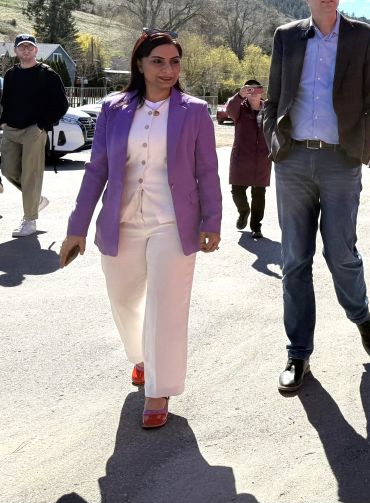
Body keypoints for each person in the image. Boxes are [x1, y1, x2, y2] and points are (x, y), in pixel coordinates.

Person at [60, 29, 222, 430]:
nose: (168, 69)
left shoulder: (195, 111)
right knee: (124, 299)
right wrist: (76, 228)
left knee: (167, 305)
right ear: (140, 64)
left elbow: (207, 170)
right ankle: (141, 357)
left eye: (174, 62)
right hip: (122, 222)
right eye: (158, 61)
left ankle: (158, 389)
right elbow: (97, 169)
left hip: (174, 223)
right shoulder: (114, 108)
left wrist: (212, 221)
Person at [264, 0, 370, 395]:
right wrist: (273, 143)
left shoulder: (365, 38)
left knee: (341, 254)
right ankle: (299, 354)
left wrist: (360, 149)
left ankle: (360, 315)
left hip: (340, 162)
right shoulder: (286, 38)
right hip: (294, 161)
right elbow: (273, 97)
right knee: (295, 261)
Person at [0, 34, 69, 237]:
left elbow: (61, 104)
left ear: (36, 50)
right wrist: (3, 120)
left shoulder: (47, 74)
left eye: (30, 47)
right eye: (22, 47)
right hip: (12, 128)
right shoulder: (11, 74)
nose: (26, 50)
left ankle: (29, 220)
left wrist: (42, 125)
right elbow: (6, 100)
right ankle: (36, 200)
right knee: (8, 170)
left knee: (31, 174)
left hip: (34, 130)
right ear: (16, 51)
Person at [226, 79, 272, 240]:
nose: (254, 92)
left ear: (262, 91)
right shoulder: (239, 108)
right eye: (250, 89)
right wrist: (239, 95)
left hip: (262, 158)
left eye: (258, 88)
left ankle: (256, 227)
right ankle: (243, 211)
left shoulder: (268, 109)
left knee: (259, 193)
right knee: (237, 190)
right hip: (241, 157)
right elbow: (229, 110)